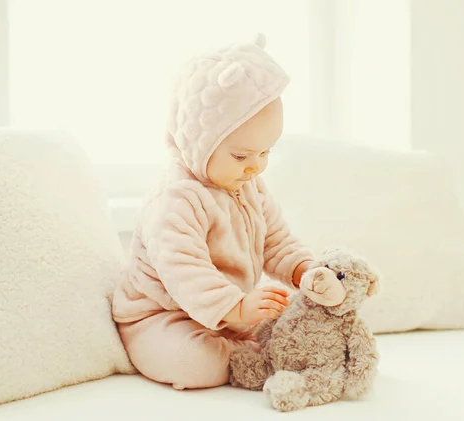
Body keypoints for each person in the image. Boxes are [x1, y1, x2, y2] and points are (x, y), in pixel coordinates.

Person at [111, 34, 313, 390]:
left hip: (230, 310)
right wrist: (235, 309)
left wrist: (301, 270)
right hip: (162, 317)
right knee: (195, 365)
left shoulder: (246, 184)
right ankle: (239, 353)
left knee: (294, 324)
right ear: (198, 143)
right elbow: (184, 270)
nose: (256, 167)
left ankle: (246, 346)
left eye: (266, 152)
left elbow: (276, 240)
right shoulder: (176, 199)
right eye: (242, 155)